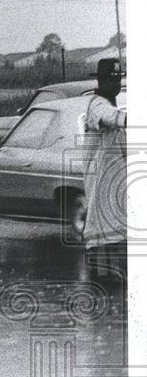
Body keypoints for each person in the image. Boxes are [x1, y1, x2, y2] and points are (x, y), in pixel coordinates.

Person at [82, 58, 127, 280]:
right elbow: (111, 118)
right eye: (112, 79)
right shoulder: (96, 105)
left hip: (116, 187)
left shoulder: (112, 106)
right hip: (99, 187)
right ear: (101, 80)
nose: (117, 84)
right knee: (100, 236)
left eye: (119, 79)